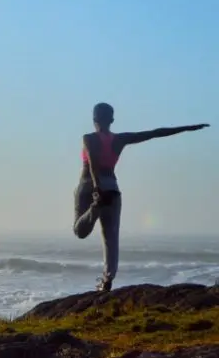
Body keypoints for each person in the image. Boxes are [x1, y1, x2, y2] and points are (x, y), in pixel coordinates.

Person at [73, 103, 209, 293]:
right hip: (112, 187)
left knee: (80, 231)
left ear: (94, 119)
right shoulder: (120, 139)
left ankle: (95, 207)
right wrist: (186, 128)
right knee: (111, 238)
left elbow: (93, 165)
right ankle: (107, 280)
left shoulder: (88, 138)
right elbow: (154, 133)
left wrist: (97, 190)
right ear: (112, 120)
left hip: (89, 185)